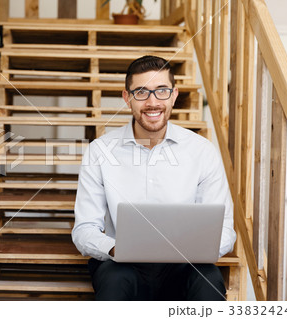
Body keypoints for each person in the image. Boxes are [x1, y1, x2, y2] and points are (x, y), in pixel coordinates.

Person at [72, 55, 236, 301]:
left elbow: (224, 229)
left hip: (185, 266)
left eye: (161, 91)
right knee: (115, 280)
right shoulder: (100, 151)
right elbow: (85, 229)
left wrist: (200, 250)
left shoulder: (202, 151)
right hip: (123, 266)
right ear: (127, 98)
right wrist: (116, 248)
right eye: (141, 92)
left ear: (174, 95)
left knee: (208, 280)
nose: (152, 102)